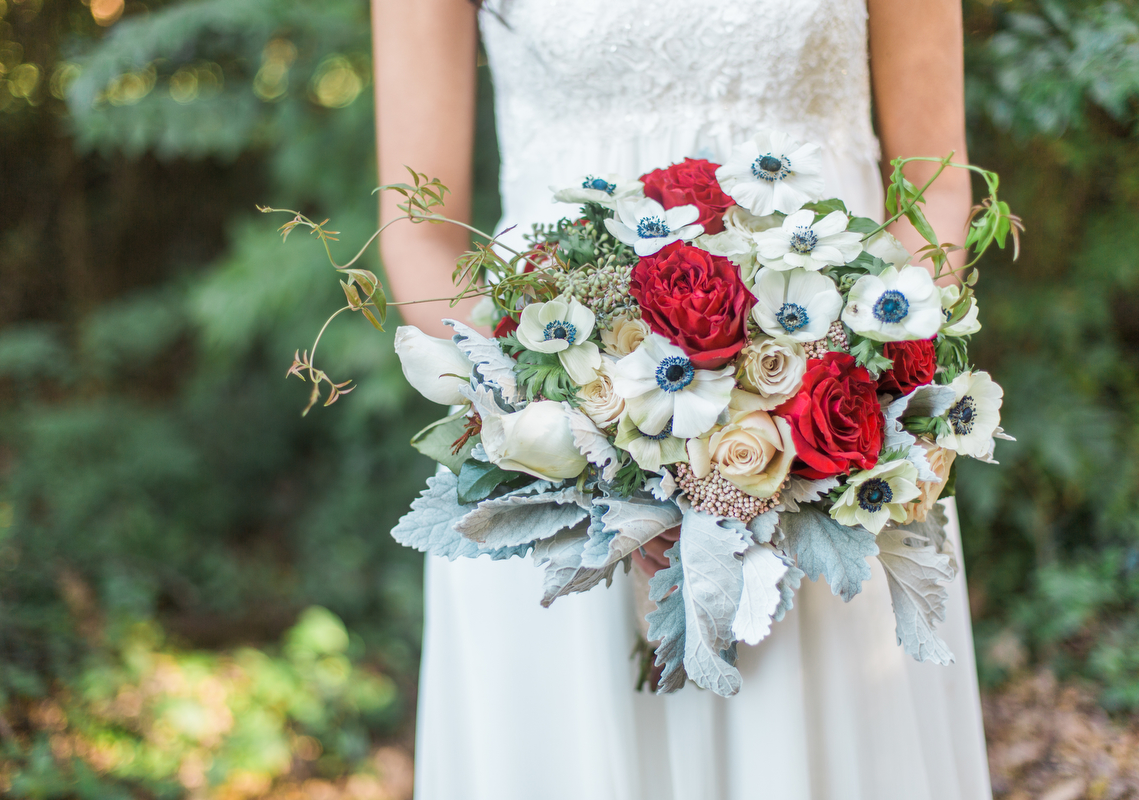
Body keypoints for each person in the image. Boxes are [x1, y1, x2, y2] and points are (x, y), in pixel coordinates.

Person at [372, 1, 992, 798]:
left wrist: (844, 388)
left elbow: (935, 193)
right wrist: (579, 436)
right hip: (555, 432)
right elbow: (418, 235)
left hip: (835, 436)